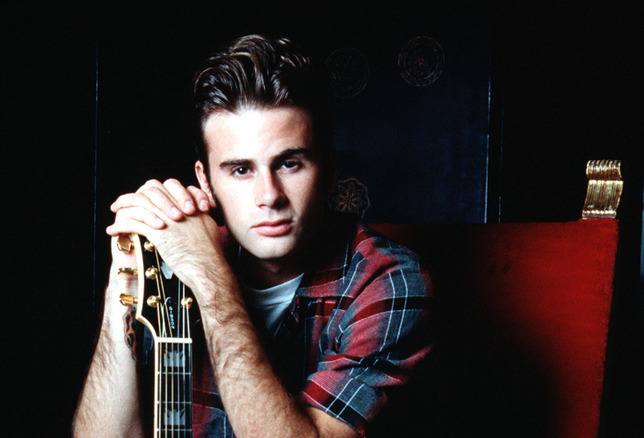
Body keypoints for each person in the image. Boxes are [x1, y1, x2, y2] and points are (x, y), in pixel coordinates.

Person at [73, 34, 431, 437]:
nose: (269, 196)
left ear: (330, 169)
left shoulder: (388, 280)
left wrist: (211, 279)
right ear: (205, 181)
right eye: (241, 170)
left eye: (290, 163)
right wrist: (122, 288)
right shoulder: (175, 255)